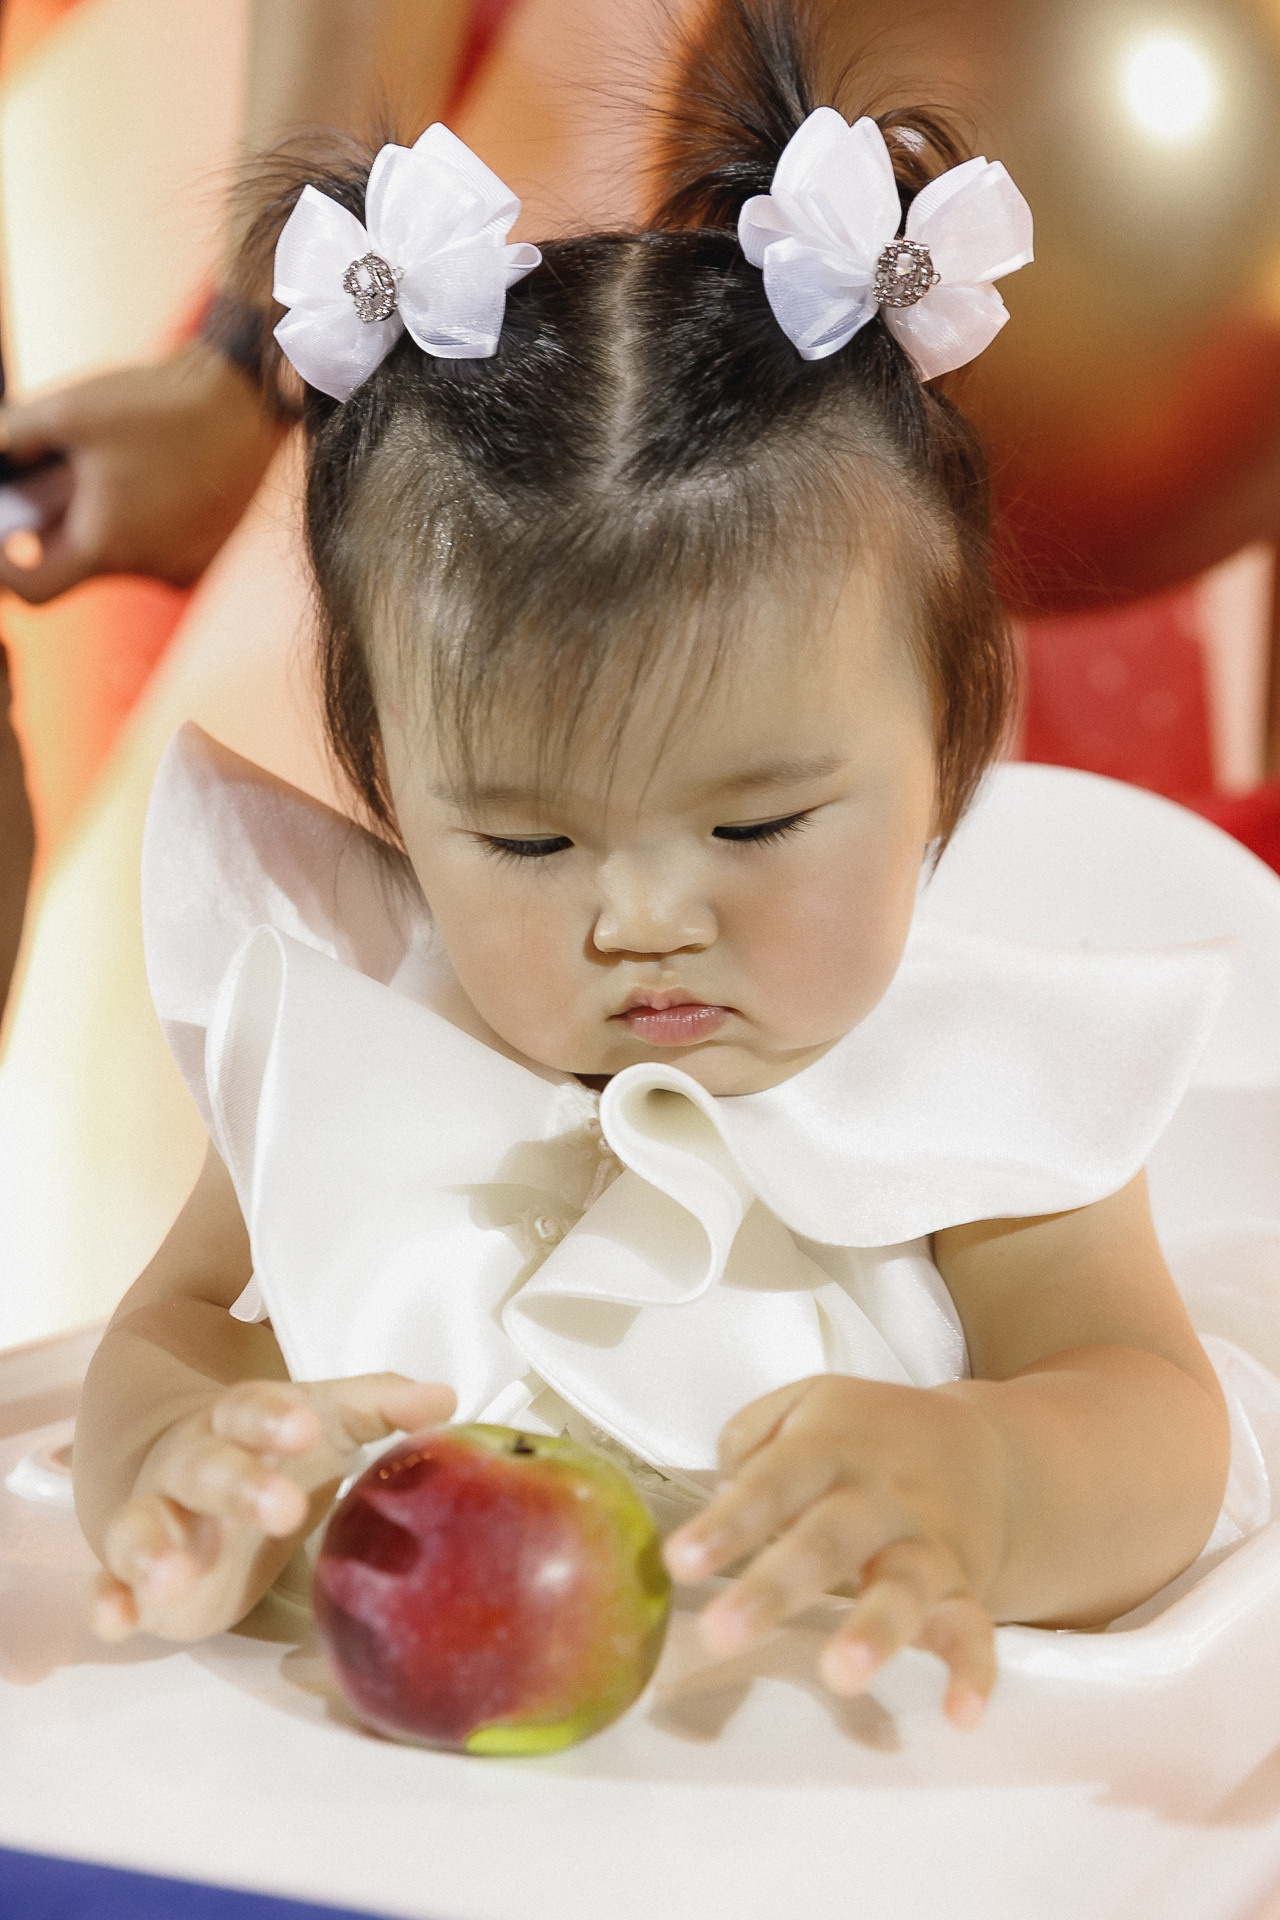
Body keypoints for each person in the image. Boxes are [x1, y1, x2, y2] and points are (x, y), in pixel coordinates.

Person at [70, 0, 1267, 1731]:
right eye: (528, 840)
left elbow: (1157, 1418)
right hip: (405, 1803)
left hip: (837, 1791)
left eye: (756, 825)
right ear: (397, 792)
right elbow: (175, 1330)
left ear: (941, 752)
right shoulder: (360, 1039)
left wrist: (990, 1480)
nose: (640, 918)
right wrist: (174, 1467)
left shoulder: (978, 1082)